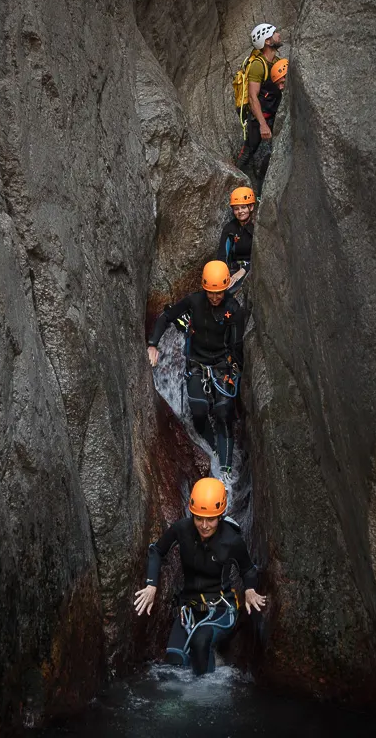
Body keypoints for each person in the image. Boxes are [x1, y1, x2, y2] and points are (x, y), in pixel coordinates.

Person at [134, 477, 266, 675]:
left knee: (200, 642)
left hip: (220, 609)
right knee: (173, 664)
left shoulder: (231, 540)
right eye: (198, 518)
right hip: (188, 609)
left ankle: (207, 696)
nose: (204, 525)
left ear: (220, 516)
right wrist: (151, 585)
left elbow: (247, 569)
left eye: (210, 519)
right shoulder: (182, 529)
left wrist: (250, 589)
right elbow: (156, 551)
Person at [147, 261, 244, 477]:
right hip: (197, 362)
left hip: (222, 363)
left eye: (219, 293)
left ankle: (227, 468)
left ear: (226, 288)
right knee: (199, 410)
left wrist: (236, 368)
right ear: (204, 288)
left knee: (223, 411)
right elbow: (167, 316)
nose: (215, 297)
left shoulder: (232, 309)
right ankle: (214, 448)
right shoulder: (194, 301)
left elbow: (237, 343)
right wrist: (153, 344)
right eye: (211, 292)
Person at [236, 24, 284, 194]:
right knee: (248, 153)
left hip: (274, 116)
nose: (279, 35)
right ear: (267, 40)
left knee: (268, 157)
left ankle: (263, 193)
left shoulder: (278, 63)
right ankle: (235, 186)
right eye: (275, 33)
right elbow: (252, 97)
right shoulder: (258, 65)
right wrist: (263, 125)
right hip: (260, 119)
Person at [217, 187, 256, 288]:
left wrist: (244, 270)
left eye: (243, 207)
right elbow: (222, 255)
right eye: (236, 209)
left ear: (251, 207)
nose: (240, 211)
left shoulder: (257, 227)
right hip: (234, 269)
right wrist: (223, 274)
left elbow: (263, 255)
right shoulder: (230, 229)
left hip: (253, 268)